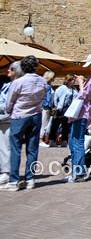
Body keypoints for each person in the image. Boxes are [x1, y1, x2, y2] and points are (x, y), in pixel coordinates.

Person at [0, 57, 47, 191]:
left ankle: (14, 181)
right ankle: (30, 179)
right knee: (32, 149)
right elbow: (43, 97)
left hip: (19, 115)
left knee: (15, 149)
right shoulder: (42, 81)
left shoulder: (18, 82)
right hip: (36, 115)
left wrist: (10, 110)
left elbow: (9, 101)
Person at [67, 53, 91, 182]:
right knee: (73, 142)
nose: (89, 68)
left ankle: (80, 173)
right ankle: (76, 172)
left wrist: (80, 83)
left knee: (77, 142)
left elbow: (83, 95)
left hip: (83, 113)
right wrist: (85, 81)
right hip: (83, 113)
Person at [49, 76, 76, 146]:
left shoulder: (74, 89)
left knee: (66, 126)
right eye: (72, 79)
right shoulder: (62, 88)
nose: (74, 81)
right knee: (55, 125)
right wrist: (57, 106)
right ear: (68, 80)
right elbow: (55, 97)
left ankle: (64, 141)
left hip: (69, 110)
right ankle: (51, 141)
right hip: (61, 109)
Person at [38, 71, 55, 148]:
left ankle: (42, 139)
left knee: (45, 124)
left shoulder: (48, 85)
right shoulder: (46, 86)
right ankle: (40, 139)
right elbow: (45, 97)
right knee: (43, 123)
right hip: (45, 107)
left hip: (47, 107)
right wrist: (46, 105)